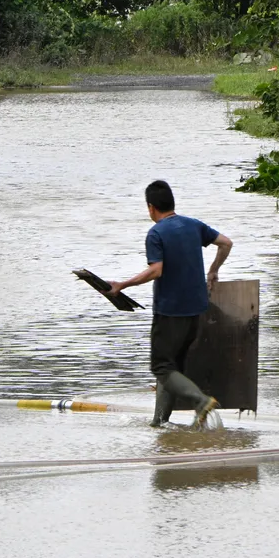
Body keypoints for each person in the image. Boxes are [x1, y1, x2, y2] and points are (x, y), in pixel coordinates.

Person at [108, 180, 233, 429]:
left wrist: (122, 284)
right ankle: (159, 423)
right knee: (171, 368)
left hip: (170, 312)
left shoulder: (156, 233)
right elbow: (226, 243)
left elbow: (156, 270)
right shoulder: (193, 225)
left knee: (161, 367)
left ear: (151, 207)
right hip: (196, 310)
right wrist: (213, 270)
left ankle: (201, 401)